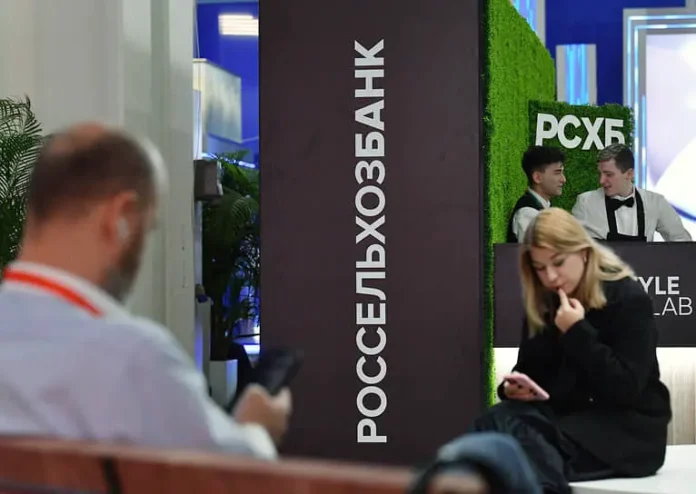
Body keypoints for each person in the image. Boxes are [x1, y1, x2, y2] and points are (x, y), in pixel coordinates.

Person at [0, 123, 290, 459]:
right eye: (148, 228)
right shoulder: (130, 358)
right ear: (120, 216)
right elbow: (230, 474)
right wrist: (257, 429)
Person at [472, 207, 671, 494]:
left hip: (625, 431)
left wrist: (576, 331)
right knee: (493, 422)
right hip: (565, 420)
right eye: (540, 268)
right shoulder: (545, 302)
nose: (550, 276)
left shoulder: (628, 298)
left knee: (516, 438)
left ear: (584, 253)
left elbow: (626, 388)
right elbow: (530, 371)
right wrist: (515, 389)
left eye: (558, 262)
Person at [571, 143, 691, 242]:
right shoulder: (585, 203)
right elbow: (572, 246)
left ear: (629, 174)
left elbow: (682, 242)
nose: (601, 180)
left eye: (609, 174)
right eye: (600, 174)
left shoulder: (656, 202)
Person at [507, 146, 566, 243]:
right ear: (537, 177)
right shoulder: (527, 213)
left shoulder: (542, 208)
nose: (563, 179)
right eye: (557, 173)